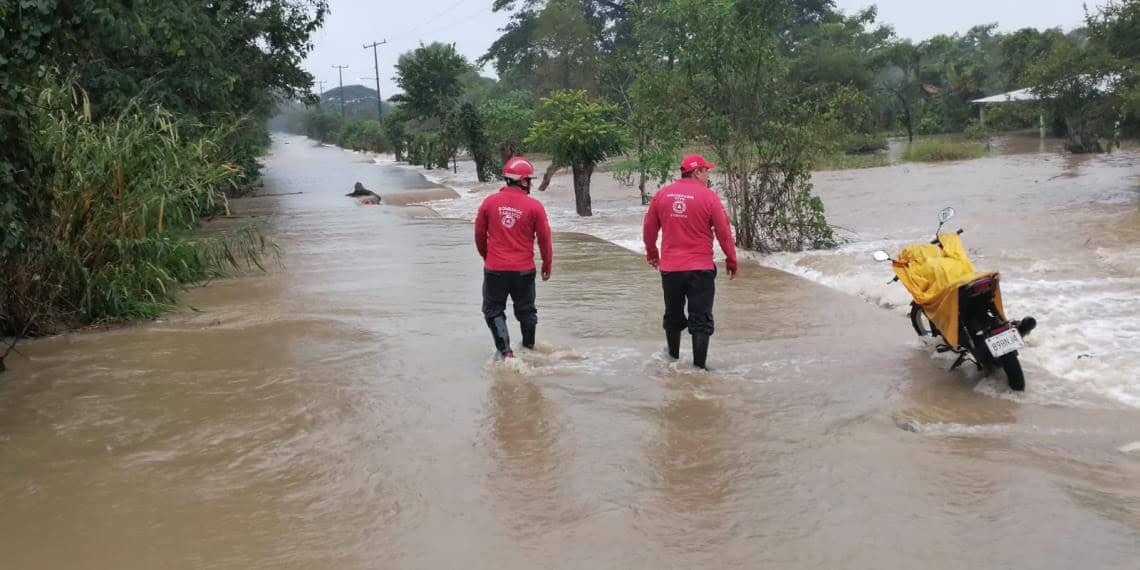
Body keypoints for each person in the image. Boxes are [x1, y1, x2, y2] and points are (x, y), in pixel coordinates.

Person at [642, 154, 738, 369]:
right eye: (706, 171)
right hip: (701, 270)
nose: (707, 176)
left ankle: (672, 359)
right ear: (697, 172)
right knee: (701, 318)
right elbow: (723, 232)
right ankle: (699, 368)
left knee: (673, 314)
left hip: (671, 269)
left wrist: (652, 252)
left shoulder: (662, 194)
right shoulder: (709, 197)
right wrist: (731, 259)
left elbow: (649, 228)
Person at [475, 156, 554, 359]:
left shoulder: (489, 203)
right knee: (526, 312)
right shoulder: (535, 207)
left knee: (493, 310)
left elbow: (479, 235)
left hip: (495, 269)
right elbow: (545, 239)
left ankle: (506, 353)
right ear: (524, 181)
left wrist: (488, 257)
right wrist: (547, 264)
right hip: (524, 271)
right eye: (530, 180)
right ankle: (528, 349)